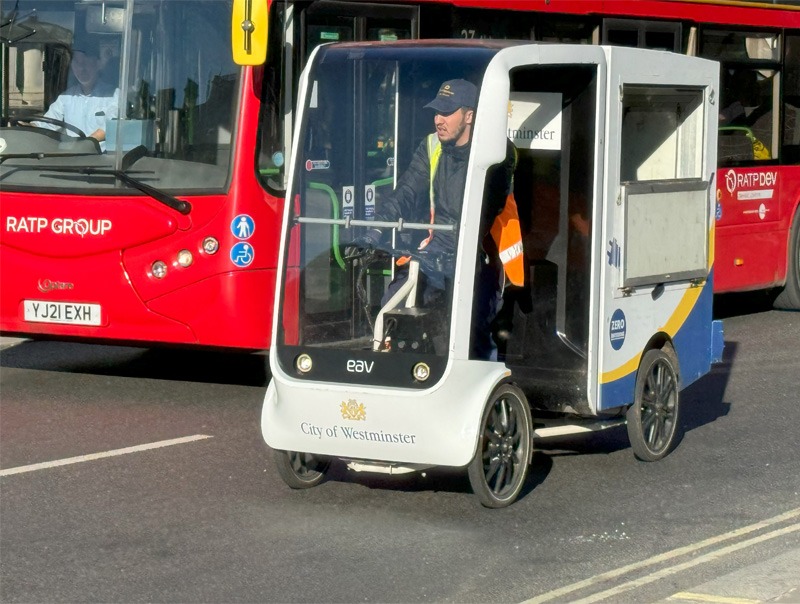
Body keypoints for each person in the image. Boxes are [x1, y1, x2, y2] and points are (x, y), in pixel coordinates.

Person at [355, 78, 520, 360]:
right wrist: (374, 230)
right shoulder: (432, 146)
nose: (438, 120)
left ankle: (486, 386)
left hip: (481, 253)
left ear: (469, 116)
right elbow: (406, 191)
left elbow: (484, 208)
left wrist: (452, 251)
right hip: (438, 249)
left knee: (471, 328)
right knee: (392, 304)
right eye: (436, 112)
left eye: (447, 112)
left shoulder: (497, 152)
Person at [33, 38, 119, 148]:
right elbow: (48, 123)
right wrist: (28, 127)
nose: (81, 68)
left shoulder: (113, 95)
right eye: (77, 63)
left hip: (102, 159)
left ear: (98, 64)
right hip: (73, 158)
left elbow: (112, 125)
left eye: (86, 62)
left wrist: (87, 144)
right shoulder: (66, 97)